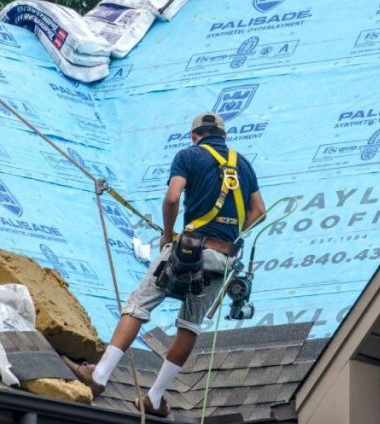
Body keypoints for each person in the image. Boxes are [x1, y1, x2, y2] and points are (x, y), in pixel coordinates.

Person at [65, 111, 266, 416]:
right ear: (223, 137)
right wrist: (230, 235)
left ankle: (99, 376)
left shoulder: (189, 156)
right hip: (222, 258)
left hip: (188, 250)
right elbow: (259, 211)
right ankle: (155, 398)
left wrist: (168, 236)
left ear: (195, 135)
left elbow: (173, 198)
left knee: (138, 305)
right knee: (189, 326)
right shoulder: (244, 165)